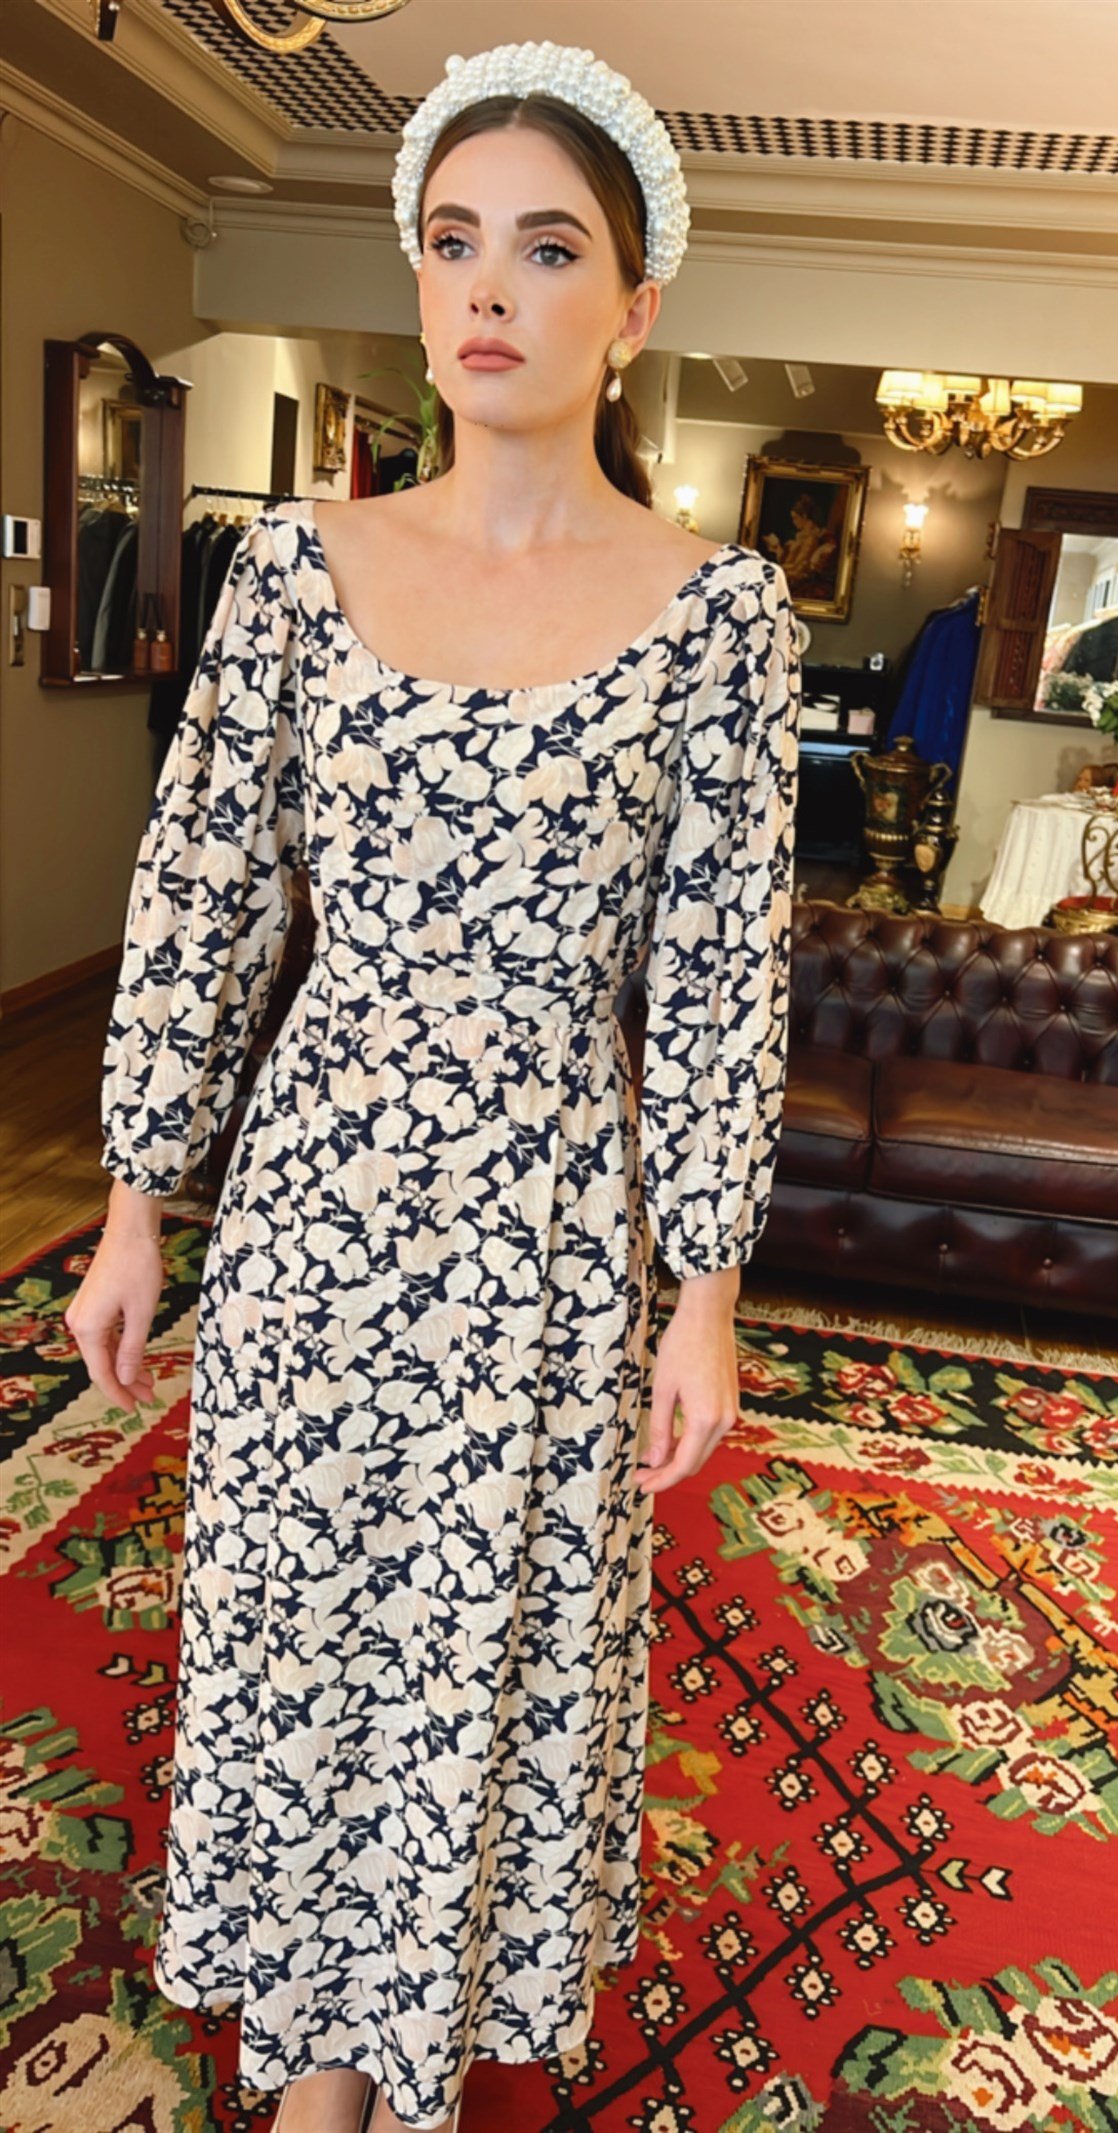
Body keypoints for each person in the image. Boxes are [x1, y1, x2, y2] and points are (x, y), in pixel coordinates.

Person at [65, 38, 803, 2133]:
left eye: (549, 248)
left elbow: (722, 971)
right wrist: (134, 1198)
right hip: (313, 1207)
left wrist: (705, 1288)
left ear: (633, 306)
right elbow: (202, 892)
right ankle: (321, 2086)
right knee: (305, 1644)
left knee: (476, 1655)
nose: (490, 284)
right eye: (455, 240)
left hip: (545, 1227)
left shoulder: (720, 616)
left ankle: (404, 2069)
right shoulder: (295, 572)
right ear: (417, 279)